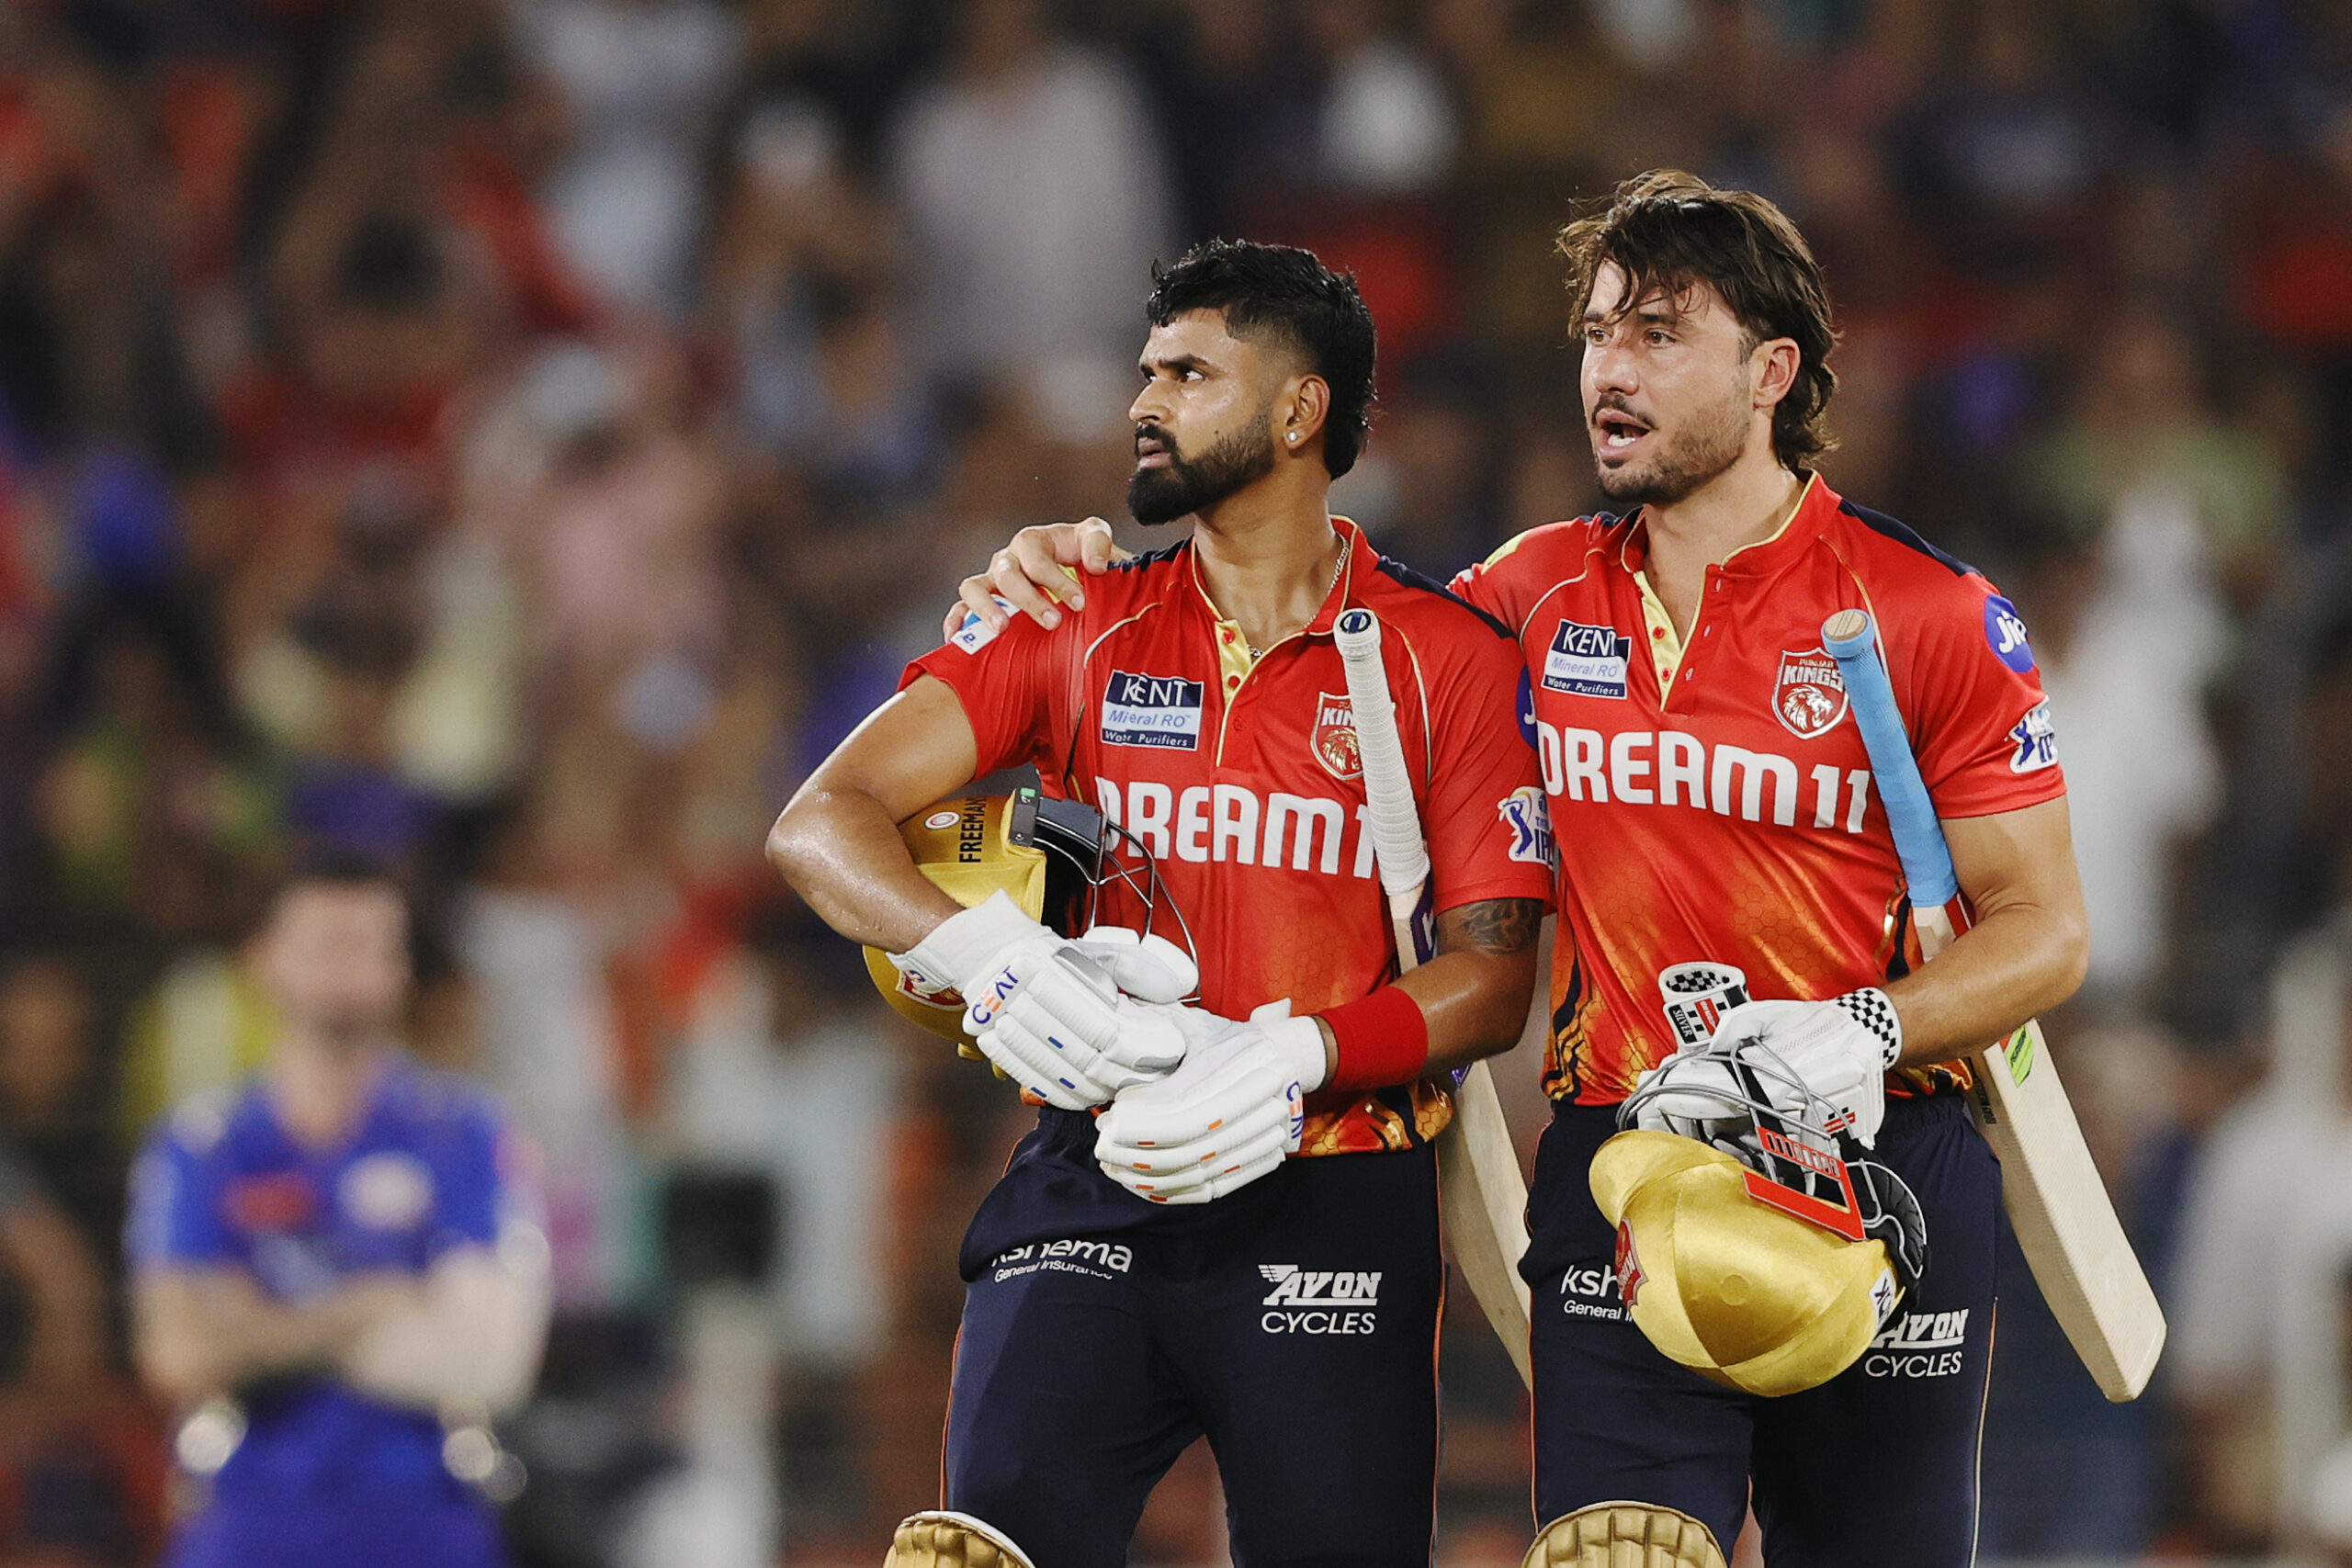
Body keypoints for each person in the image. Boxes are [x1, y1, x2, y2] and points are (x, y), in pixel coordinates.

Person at [953, 172, 2090, 1567]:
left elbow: (2046, 932)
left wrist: (1867, 1027)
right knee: (1620, 1551)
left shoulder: (1929, 613)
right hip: (1624, 1147)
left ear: (1772, 371)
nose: (1609, 370)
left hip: (1876, 1155)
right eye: (1597, 334)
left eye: (1659, 334)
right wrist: (1066, 566)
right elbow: (1313, 619)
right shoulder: (1521, 597)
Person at [768, 239, 1552, 1568]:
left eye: (1190, 373)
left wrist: (1295, 1052)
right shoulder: (1069, 618)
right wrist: (988, 954)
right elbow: (816, 824)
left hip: (1336, 1191)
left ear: (1300, 411)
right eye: (1146, 370)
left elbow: (1492, 979)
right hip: (1094, 1172)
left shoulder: (1447, 658)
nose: (1145, 400)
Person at [127, 859, 552, 1568]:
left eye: (375, 947)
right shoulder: (203, 1144)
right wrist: (377, 1304)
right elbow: (179, 1353)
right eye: (329, 944)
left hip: (426, 1514)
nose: (353, 972)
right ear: (263, 959)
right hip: (248, 1518)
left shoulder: (467, 1132)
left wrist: (260, 1322)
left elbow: (493, 1363)